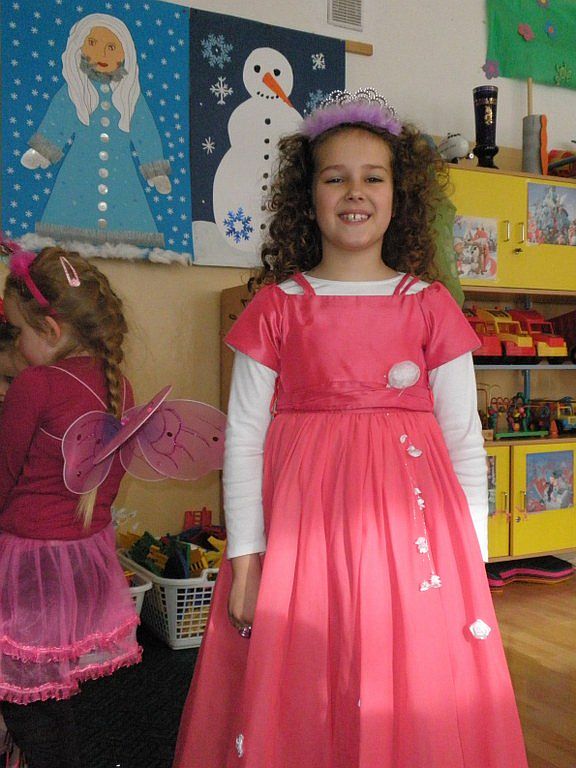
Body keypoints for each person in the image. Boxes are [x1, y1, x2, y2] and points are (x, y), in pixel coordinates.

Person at [173, 88, 529, 768]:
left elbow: (463, 438)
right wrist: (245, 561)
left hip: (412, 549)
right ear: (308, 198)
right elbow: (243, 439)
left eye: (373, 177)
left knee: (402, 683)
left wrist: (471, 561)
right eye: (335, 178)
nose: (355, 192)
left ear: (400, 196)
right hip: (304, 544)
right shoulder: (278, 308)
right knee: (310, 683)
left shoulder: (430, 307)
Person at [0, 242, 140, 768]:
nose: (15, 343)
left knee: (26, 702)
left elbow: (2, 475)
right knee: (53, 693)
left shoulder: (35, 385)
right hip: (84, 560)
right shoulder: (117, 385)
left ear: (52, 331)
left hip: (30, 564)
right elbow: (110, 482)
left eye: (17, 330)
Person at [20, 13, 171, 248]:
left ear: (124, 54)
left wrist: (155, 171)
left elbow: (146, 133)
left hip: (122, 177)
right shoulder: (75, 91)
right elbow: (58, 119)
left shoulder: (131, 97)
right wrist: (42, 151)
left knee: (127, 229)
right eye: (92, 43)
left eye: (111, 47)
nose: (102, 54)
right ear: (80, 47)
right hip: (79, 172)